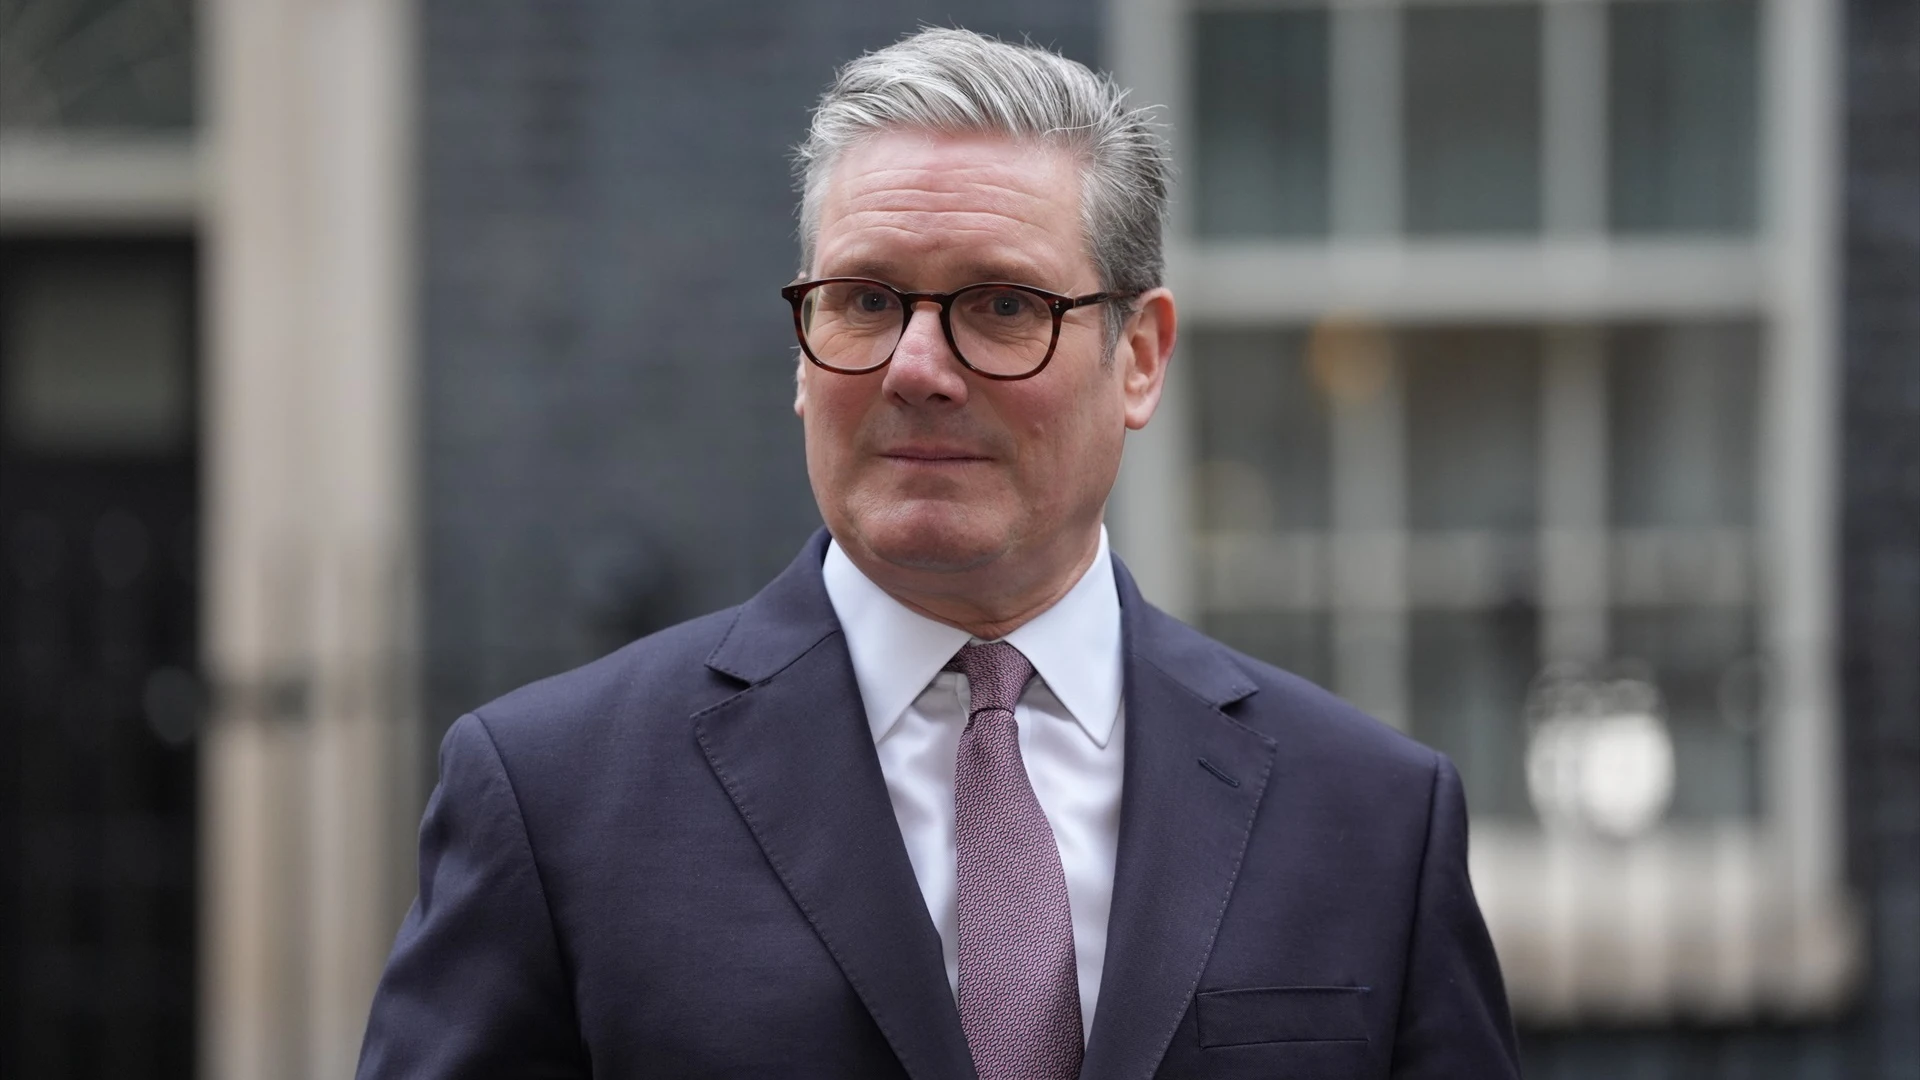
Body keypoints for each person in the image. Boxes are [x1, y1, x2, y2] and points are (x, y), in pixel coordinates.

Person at [357, 27, 1519, 1080]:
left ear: (1141, 357)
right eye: (864, 299)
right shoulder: (553, 798)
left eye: (1003, 305)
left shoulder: (1372, 817)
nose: (916, 366)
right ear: (803, 353)